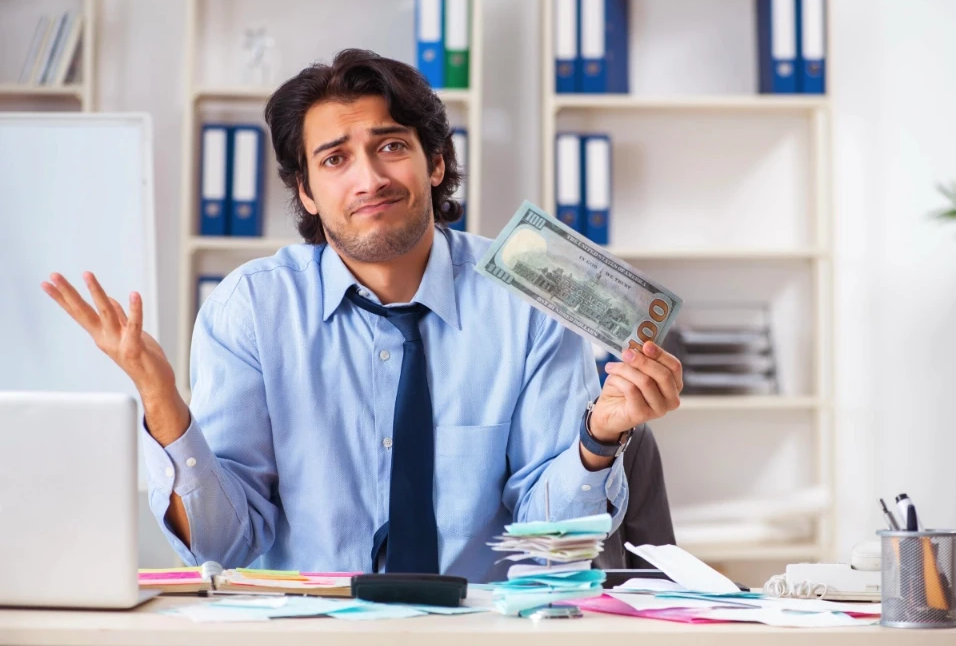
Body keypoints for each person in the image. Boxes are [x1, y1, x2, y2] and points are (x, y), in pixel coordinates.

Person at [41, 48, 683, 583]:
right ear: (307, 192)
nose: (368, 178)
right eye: (334, 159)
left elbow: (546, 545)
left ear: (435, 164)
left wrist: (599, 440)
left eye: (391, 146)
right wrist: (162, 402)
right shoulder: (252, 310)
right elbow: (223, 548)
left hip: (478, 629)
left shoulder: (525, 304)